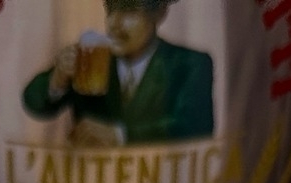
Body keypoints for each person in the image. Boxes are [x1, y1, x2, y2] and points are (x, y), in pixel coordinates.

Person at [22, 0, 214, 146]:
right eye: (111, 11)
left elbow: (195, 126)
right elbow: (34, 102)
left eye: (129, 11)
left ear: (159, 13)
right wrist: (58, 80)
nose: (115, 23)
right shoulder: (92, 59)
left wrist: (119, 135)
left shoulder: (189, 64)